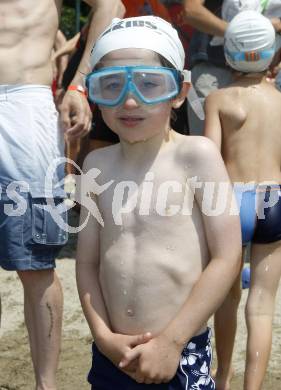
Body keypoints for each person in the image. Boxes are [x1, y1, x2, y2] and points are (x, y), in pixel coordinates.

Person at [76, 15, 241, 389]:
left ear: (180, 91)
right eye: (111, 85)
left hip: (180, 352)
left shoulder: (197, 156)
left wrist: (172, 341)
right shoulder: (94, 165)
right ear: (95, 93)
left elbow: (228, 257)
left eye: (150, 85)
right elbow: (86, 263)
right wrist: (104, 338)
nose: (129, 99)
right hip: (112, 355)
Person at [0, 1, 125, 390]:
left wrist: (79, 83)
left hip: (23, 107)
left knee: (35, 261)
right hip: (24, 110)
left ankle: (45, 385)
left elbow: (111, 5)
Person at [204, 11, 281, 390]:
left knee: (227, 297)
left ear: (228, 53)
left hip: (232, 201)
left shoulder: (218, 99)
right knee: (263, 303)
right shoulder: (280, 102)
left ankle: (222, 378)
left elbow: (209, 161)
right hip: (275, 200)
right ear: (273, 53)